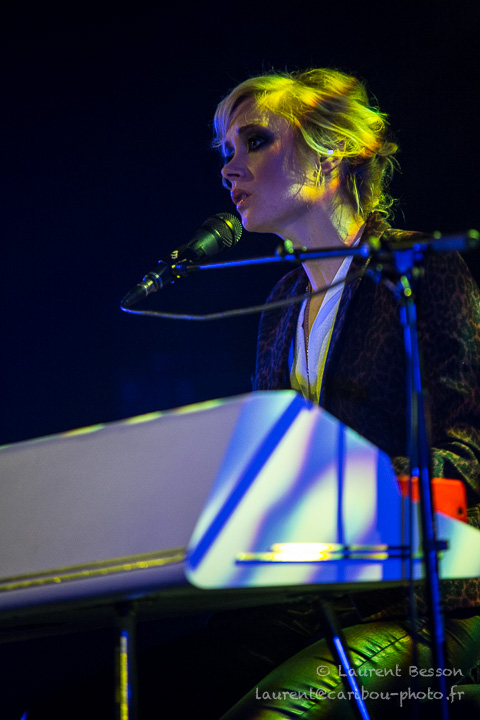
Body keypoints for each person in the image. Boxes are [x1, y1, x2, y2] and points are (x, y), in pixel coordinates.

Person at [209, 68, 480, 718]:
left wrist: (341, 488)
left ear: (331, 152)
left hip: (422, 601)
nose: (229, 168)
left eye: (254, 142)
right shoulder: (280, 304)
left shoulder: (419, 270)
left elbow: (468, 456)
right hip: (306, 601)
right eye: (225, 151)